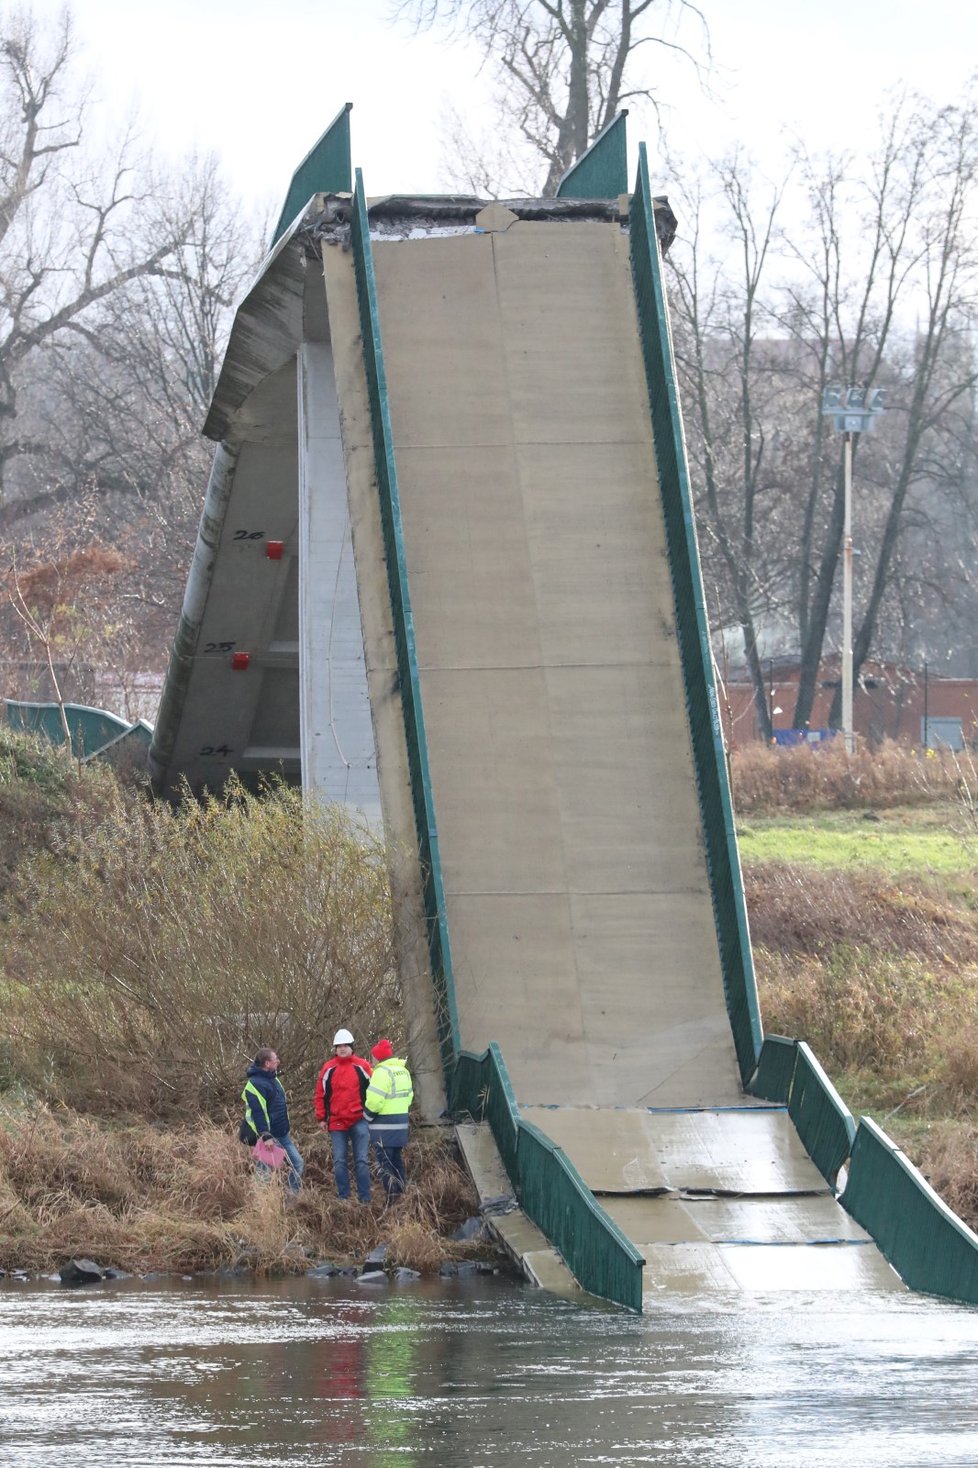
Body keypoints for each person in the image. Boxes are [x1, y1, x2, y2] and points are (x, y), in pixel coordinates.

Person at [314, 1028, 373, 1203]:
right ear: (334, 1049)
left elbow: (375, 1090)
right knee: (339, 1161)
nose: (342, 1048)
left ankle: (365, 1199)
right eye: (339, 1046)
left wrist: (371, 1114)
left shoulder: (362, 1066)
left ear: (352, 1047)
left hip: (359, 1120)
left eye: (345, 1045)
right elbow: (320, 1094)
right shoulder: (328, 1068)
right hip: (337, 1122)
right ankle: (343, 1198)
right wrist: (321, 1118)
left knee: (361, 1160)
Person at [241, 1047, 304, 1194]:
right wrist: (265, 1136)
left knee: (298, 1164)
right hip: (268, 1136)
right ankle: (260, 1208)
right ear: (267, 1063)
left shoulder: (273, 1079)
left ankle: (289, 1200)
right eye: (276, 1060)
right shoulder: (254, 1085)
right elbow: (258, 1113)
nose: (279, 1062)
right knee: (264, 1175)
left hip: (282, 1134)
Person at [363, 1039, 414, 1200]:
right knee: (397, 1160)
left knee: (385, 1164)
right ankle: (401, 1194)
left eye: (373, 1057)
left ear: (378, 1057)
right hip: (401, 1125)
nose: (372, 1060)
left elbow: (374, 1102)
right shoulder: (402, 1071)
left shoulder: (381, 1073)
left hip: (384, 1128)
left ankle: (392, 1197)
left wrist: (366, 1117)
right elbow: (409, 1097)